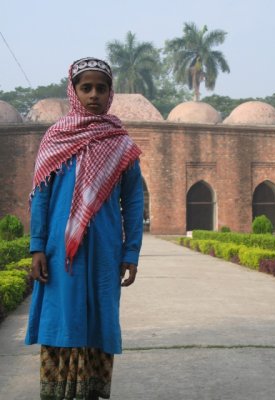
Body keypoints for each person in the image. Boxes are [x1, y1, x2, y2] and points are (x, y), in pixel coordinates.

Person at [25, 57, 144, 400]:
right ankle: (58, 391)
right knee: (62, 316)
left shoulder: (121, 144)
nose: (94, 94)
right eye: (86, 87)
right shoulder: (56, 138)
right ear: (74, 91)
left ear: (110, 93)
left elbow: (133, 203)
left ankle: (90, 391)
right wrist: (36, 247)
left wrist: (130, 251)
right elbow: (42, 197)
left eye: (101, 88)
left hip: (105, 251)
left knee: (99, 316)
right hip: (60, 252)